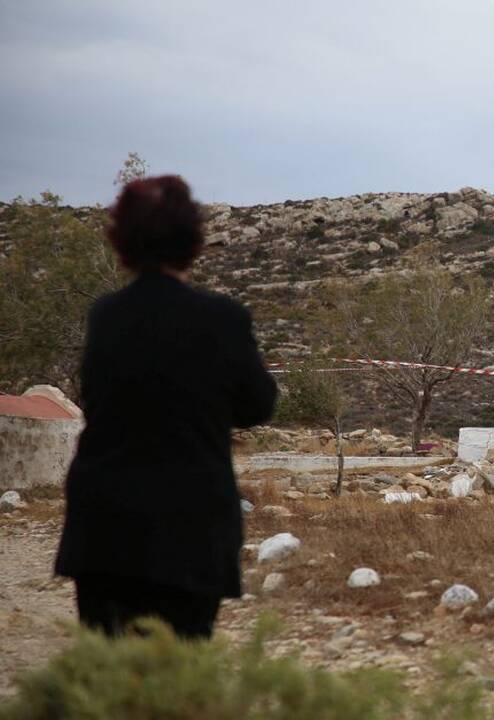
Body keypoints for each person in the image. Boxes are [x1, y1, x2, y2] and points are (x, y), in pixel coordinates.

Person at [55, 176, 277, 639]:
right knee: (177, 676)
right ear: (193, 241)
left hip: (104, 523)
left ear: (122, 241)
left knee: (107, 676)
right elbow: (258, 405)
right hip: (190, 525)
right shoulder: (223, 318)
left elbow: (97, 398)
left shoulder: (106, 316)